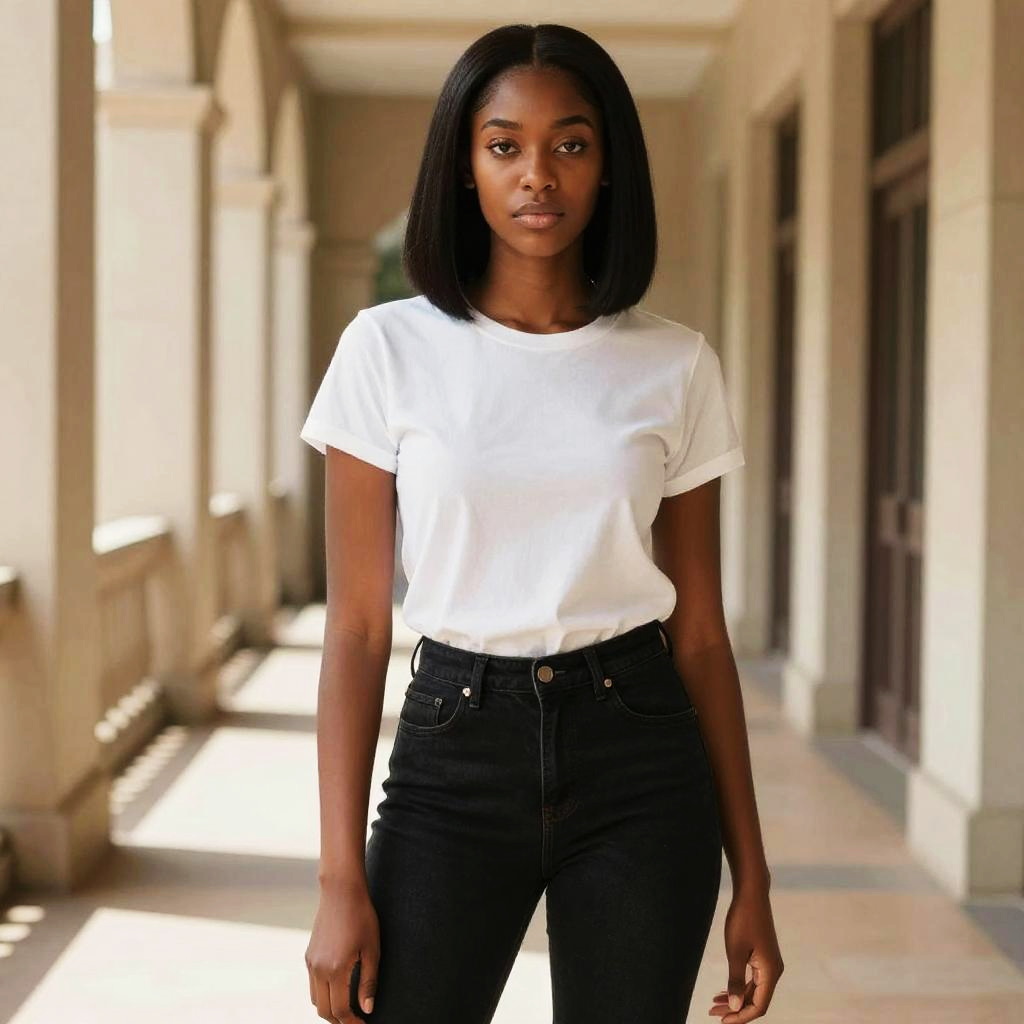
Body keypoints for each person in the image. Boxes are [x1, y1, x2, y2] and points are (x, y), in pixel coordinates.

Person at [299, 22, 784, 1024]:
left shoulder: (673, 363)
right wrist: (338, 878)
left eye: (570, 143)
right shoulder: (387, 348)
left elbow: (698, 633)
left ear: (608, 168)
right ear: (462, 167)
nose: (537, 176)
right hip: (452, 752)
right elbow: (353, 627)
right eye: (503, 144)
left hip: (641, 752)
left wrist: (756, 879)